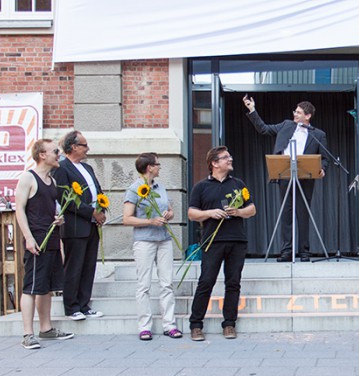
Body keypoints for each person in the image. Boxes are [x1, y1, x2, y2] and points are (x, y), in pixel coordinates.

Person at [242, 95, 327, 262]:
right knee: (286, 214)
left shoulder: (318, 134)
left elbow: (324, 158)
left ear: (308, 116)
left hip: (305, 177)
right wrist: (252, 109)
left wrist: (322, 169)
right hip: (285, 175)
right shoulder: (286, 125)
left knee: (303, 214)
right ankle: (286, 252)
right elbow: (263, 129)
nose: (295, 114)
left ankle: (304, 252)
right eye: (295, 111)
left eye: (299, 112)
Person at [188, 146, 256, 341]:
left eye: (230, 156)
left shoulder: (238, 184)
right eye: (226, 157)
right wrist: (210, 213)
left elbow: (252, 209)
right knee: (206, 281)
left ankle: (229, 324)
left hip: (237, 240)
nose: (230, 159)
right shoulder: (201, 187)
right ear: (214, 163)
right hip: (213, 241)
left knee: (233, 283)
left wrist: (238, 212)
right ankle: (196, 325)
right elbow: (192, 213)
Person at [14, 139, 74, 349]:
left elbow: (51, 209)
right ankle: (27, 333)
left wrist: (59, 219)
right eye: (55, 151)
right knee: (31, 287)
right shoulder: (28, 178)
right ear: (42, 155)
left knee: (46, 287)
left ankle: (46, 328)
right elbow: (19, 209)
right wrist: (29, 237)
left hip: (52, 238)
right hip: (37, 239)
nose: (59, 155)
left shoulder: (52, 181)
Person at [123, 153, 182, 341]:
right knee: (144, 285)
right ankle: (144, 327)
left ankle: (169, 325)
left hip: (164, 239)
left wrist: (169, 214)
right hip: (144, 241)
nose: (160, 167)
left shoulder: (160, 187)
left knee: (167, 283)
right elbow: (127, 219)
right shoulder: (134, 189)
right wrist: (150, 221)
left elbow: (170, 209)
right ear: (149, 167)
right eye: (158, 164)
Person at [53, 130, 105, 321]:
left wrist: (101, 210)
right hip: (75, 226)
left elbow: (98, 191)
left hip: (92, 225)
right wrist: (91, 212)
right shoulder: (62, 168)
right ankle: (71, 306)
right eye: (84, 145)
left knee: (88, 266)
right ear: (73, 147)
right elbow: (65, 198)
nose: (87, 148)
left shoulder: (87, 168)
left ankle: (84, 304)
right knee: (74, 267)